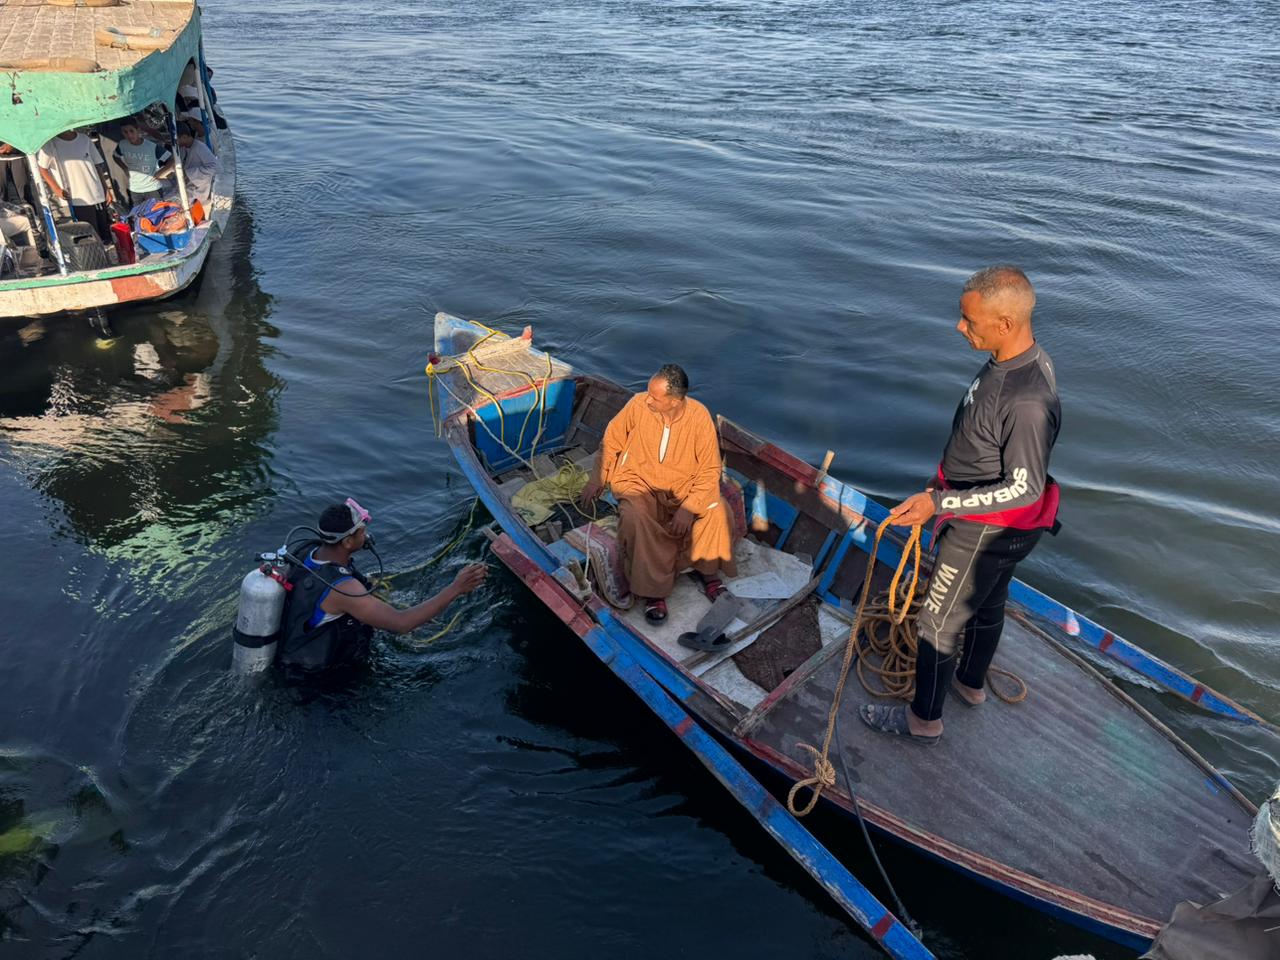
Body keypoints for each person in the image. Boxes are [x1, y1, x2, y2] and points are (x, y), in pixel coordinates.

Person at [860, 265, 1061, 744]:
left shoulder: (1028, 400)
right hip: (997, 523)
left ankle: (923, 720)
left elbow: (1025, 487)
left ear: (1006, 324)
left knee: (936, 621)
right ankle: (969, 685)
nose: (959, 327)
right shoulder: (1018, 361)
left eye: (969, 321)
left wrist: (939, 502)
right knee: (989, 602)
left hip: (985, 529)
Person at [579, 364, 737, 623]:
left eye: (655, 396)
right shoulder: (637, 404)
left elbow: (710, 469)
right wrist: (598, 478)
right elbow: (612, 441)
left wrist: (688, 508)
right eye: (648, 392)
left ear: (675, 401)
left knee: (717, 510)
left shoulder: (699, 417)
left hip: (682, 486)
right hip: (639, 481)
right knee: (634, 517)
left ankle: (708, 573)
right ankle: (654, 591)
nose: (648, 399)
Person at [277, 498, 488, 670]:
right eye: (361, 531)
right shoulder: (343, 589)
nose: (366, 534)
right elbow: (400, 624)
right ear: (348, 542)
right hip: (318, 676)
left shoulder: (306, 551)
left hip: (294, 650)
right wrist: (456, 588)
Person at [36, 129, 113, 242]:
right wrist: (56, 189)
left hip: (97, 193)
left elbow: (97, 165)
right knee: (90, 236)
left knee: (107, 234)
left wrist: (106, 189)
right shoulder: (49, 144)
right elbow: (42, 168)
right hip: (77, 198)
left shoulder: (84, 139)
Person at [113, 118, 171, 206]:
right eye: (125, 132)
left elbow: (172, 159)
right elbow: (115, 156)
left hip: (152, 188)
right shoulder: (122, 144)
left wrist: (161, 173)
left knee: (155, 214)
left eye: (131, 131)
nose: (129, 135)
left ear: (138, 130)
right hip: (134, 189)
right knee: (139, 217)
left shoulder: (152, 147)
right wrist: (124, 168)